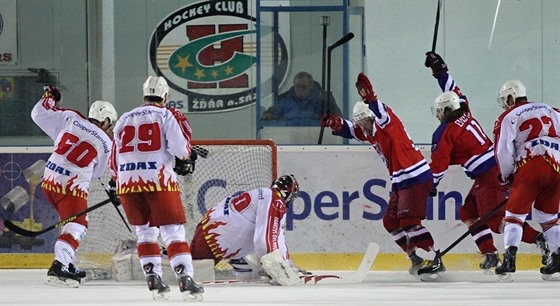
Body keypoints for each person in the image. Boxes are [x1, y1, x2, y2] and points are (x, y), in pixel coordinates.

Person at [424, 52, 549, 273]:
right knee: (467, 212)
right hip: (491, 171)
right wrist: (439, 71)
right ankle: (490, 254)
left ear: (444, 111)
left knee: (496, 222)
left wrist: (430, 186)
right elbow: (453, 90)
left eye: (439, 112)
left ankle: (540, 240)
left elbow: (439, 165)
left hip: (489, 175)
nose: (438, 116)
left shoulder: (444, 132)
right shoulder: (465, 111)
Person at [321, 72, 444, 279]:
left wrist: (370, 98)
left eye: (363, 122)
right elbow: (352, 130)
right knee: (391, 222)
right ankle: (415, 259)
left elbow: (381, 112)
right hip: (400, 180)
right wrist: (335, 123)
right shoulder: (369, 130)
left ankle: (436, 256)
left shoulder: (386, 123)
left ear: (371, 118)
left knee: (410, 221)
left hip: (414, 175)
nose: (362, 127)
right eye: (359, 123)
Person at [109, 76, 203, 301]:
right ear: (166, 96)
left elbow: (114, 159)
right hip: (158, 180)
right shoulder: (165, 115)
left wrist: (117, 181)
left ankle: (152, 278)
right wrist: (187, 157)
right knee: (172, 231)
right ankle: (185, 278)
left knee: (145, 232)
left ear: (144, 95)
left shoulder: (124, 118)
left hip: (127, 182)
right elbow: (181, 150)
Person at [31, 85, 117, 288]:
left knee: (74, 221)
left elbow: (38, 113)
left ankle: (68, 262)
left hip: (49, 181)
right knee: (78, 224)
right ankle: (59, 266)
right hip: (71, 187)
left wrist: (50, 96)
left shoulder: (70, 118)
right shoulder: (107, 141)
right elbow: (98, 173)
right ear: (105, 120)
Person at [492, 79, 560, 281]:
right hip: (557, 164)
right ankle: (557, 259)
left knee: (514, 215)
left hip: (531, 162)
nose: (504, 104)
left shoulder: (508, 117)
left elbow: (503, 150)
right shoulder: (550, 109)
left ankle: (509, 261)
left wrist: (506, 176)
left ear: (511, 97)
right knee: (547, 215)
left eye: (505, 100)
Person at [190, 174, 307, 286]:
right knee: (190, 274)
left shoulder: (266, 196)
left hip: (214, 230)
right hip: (215, 236)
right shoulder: (274, 201)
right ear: (289, 194)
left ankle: (245, 265)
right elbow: (263, 240)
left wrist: (287, 265)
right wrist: (276, 268)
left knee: (193, 270)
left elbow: (277, 236)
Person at [261, 71, 342, 126]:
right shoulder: (284, 99)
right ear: (294, 85)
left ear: (311, 86)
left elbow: (339, 119)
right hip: (287, 138)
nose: (300, 89)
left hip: (318, 140)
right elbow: (272, 113)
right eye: (297, 86)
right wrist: (268, 115)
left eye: (303, 87)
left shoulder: (325, 99)